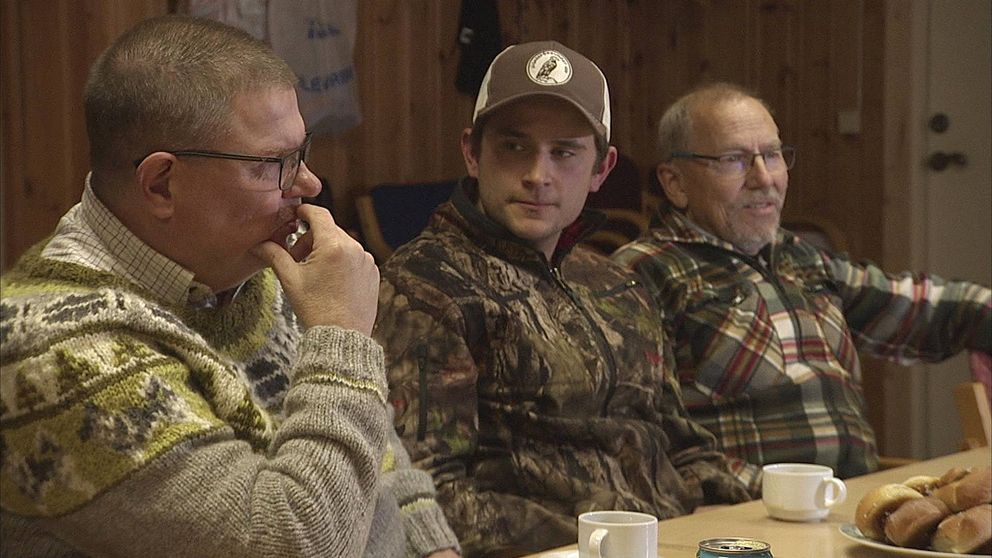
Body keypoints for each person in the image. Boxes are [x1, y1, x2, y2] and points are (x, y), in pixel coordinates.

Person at [0, 15, 458, 558]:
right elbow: (294, 544)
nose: (309, 184)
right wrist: (341, 340)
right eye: (274, 164)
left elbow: (369, 440)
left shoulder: (244, 269)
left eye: (302, 152)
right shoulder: (58, 355)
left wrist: (433, 547)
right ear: (162, 184)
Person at [373, 42, 750, 557]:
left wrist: (730, 521)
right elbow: (427, 489)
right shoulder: (426, 287)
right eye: (514, 147)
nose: (538, 174)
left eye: (564, 153)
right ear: (471, 153)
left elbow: (681, 443)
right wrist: (605, 538)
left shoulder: (617, 284)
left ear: (601, 169)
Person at [612, 82, 992, 491]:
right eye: (734, 160)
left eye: (772, 155)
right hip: (744, 521)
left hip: (851, 503)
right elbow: (648, 438)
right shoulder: (643, 273)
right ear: (675, 183)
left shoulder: (799, 257)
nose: (764, 178)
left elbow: (919, 308)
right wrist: (784, 496)